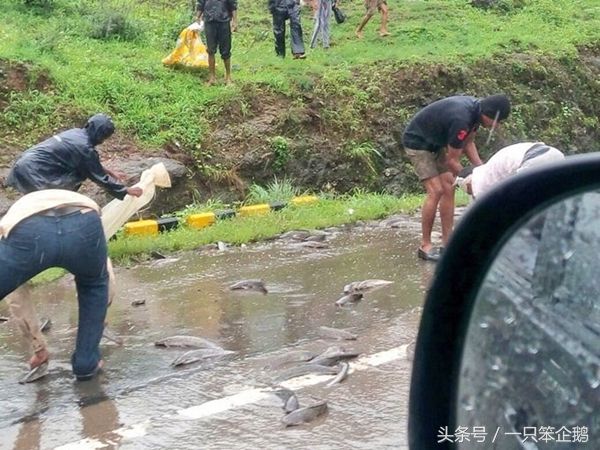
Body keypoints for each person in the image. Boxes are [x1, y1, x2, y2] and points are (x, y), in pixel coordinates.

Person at [0, 189, 112, 381]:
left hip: (29, 230)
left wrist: (38, 345)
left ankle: (66, 356)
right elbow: (105, 281)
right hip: (84, 223)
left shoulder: (18, 208)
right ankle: (86, 363)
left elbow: (17, 298)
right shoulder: (73, 194)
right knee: (94, 284)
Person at [401, 94, 511, 261]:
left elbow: (468, 143)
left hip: (435, 143)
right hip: (417, 142)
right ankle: (425, 246)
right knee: (436, 191)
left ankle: (448, 242)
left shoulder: (475, 112)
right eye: (498, 121)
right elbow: (453, 160)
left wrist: (482, 170)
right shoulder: (462, 119)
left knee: (449, 186)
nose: (496, 126)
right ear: (490, 114)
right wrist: (472, 180)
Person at [6, 114, 143, 200]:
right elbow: (97, 176)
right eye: (105, 136)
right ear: (101, 134)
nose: (103, 141)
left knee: (45, 203)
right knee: (50, 205)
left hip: (25, 165)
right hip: (35, 172)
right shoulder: (84, 147)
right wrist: (126, 190)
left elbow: (83, 162)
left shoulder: (76, 134)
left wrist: (108, 171)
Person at [456, 142, 565, 199]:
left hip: (533, 161)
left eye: (468, 190)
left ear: (469, 182)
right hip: (554, 154)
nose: (470, 193)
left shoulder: (479, 181)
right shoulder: (490, 168)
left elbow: (483, 207)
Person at [197, 0, 238, 85]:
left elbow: (233, 4)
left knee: (226, 50)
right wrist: (198, 17)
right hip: (209, 21)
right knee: (210, 50)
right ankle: (212, 77)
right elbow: (201, 3)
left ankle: (228, 77)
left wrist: (234, 21)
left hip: (224, 21)